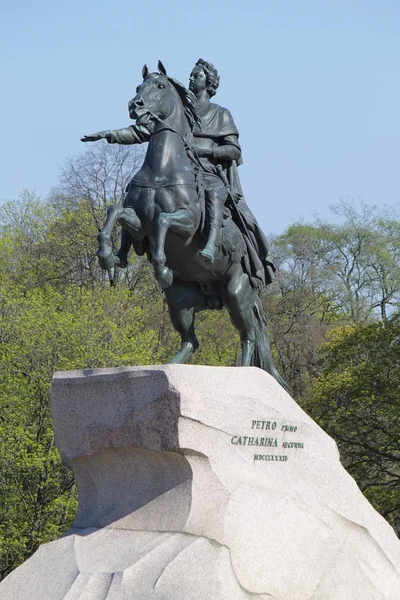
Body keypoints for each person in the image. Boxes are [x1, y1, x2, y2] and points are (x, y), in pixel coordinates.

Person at [189, 59, 275, 287]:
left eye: (196, 75)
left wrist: (210, 149)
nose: (190, 78)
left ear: (208, 83)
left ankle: (213, 244)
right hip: (182, 171)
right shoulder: (182, 112)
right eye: (191, 75)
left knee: (215, 195)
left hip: (209, 172)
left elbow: (234, 149)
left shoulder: (220, 114)